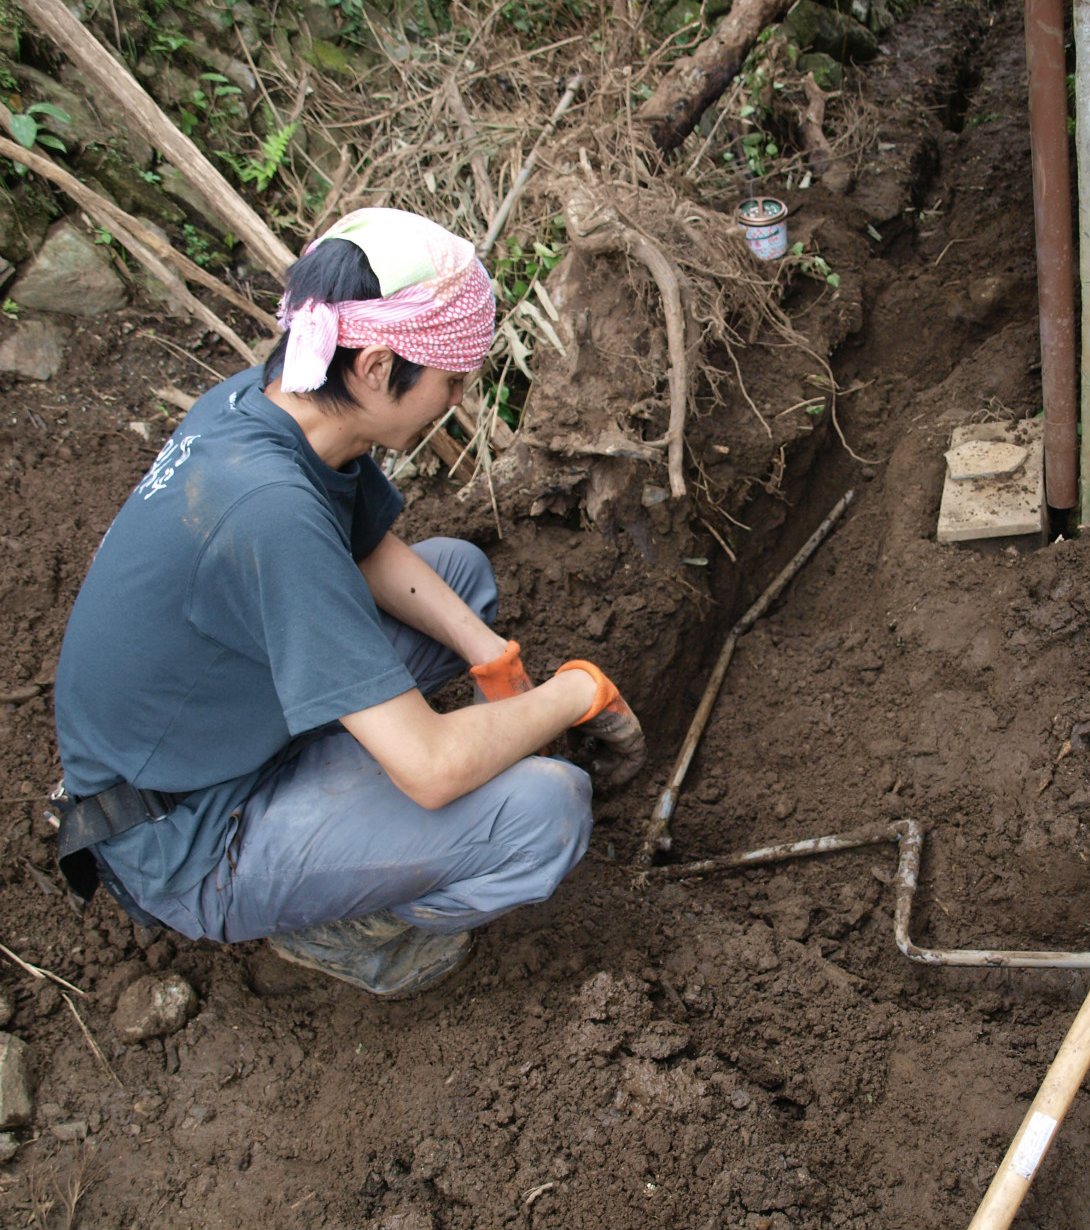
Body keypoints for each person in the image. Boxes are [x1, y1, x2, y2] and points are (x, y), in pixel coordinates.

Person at [51, 208, 645, 997]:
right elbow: (432, 770)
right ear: (372, 367)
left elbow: (364, 547)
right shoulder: (269, 512)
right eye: (452, 380)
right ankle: (340, 929)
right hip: (187, 834)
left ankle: (343, 788)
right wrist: (576, 691)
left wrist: (492, 661)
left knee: (459, 577)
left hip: (215, 731)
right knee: (548, 811)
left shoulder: (264, 405)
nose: (458, 399)